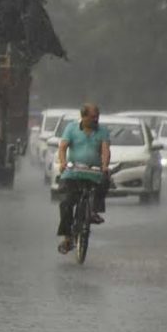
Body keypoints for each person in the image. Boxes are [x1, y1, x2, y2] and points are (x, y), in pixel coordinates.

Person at [56, 103, 111, 254]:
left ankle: (93, 211)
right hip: (73, 173)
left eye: (97, 117)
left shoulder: (103, 131)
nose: (96, 120)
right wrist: (63, 162)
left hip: (93, 172)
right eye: (93, 117)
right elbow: (63, 147)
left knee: (105, 181)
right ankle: (67, 238)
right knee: (66, 203)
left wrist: (105, 165)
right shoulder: (71, 128)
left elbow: (105, 150)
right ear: (83, 116)